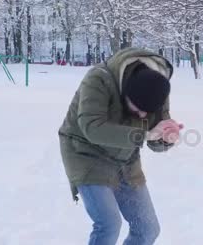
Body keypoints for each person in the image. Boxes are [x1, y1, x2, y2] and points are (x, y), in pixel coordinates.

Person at [58, 48, 183, 245]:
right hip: (85, 153)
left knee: (147, 229)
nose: (143, 115)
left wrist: (165, 137)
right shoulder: (98, 79)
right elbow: (92, 128)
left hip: (125, 159)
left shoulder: (158, 88)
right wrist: (146, 134)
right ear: (125, 90)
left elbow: (153, 137)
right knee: (108, 224)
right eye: (138, 108)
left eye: (147, 111)